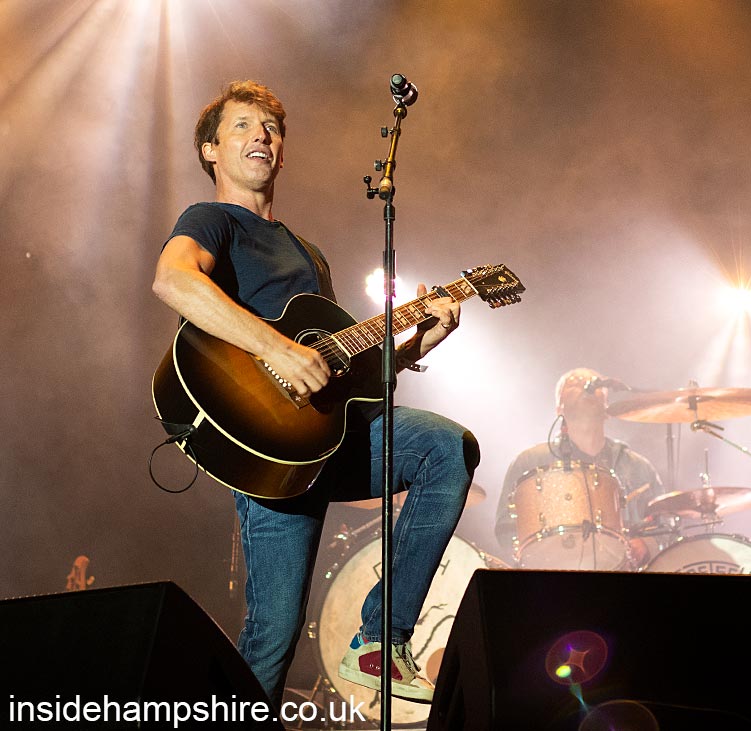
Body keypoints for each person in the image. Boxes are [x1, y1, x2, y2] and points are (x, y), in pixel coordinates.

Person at [152, 80, 480, 708]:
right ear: (210, 150)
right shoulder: (210, 220)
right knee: (273, 637)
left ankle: (380, 640)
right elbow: (172, 280)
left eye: (271, 128)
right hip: (269, 446)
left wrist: (415, 345)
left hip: (334, 432)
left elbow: (342, 374)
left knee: (447, 448)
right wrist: (276, 349)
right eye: (243, 125)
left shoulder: (310, 254)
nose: (261, 135)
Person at [495, 367, 664, 570]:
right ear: (559, 408)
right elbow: (506, 528)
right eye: (574, 383)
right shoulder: (529, 462)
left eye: (593, 383)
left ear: (607, 409)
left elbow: (666, 523)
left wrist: (647, 544)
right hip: (552, 580)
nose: (585, 385)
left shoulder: (637, 467)